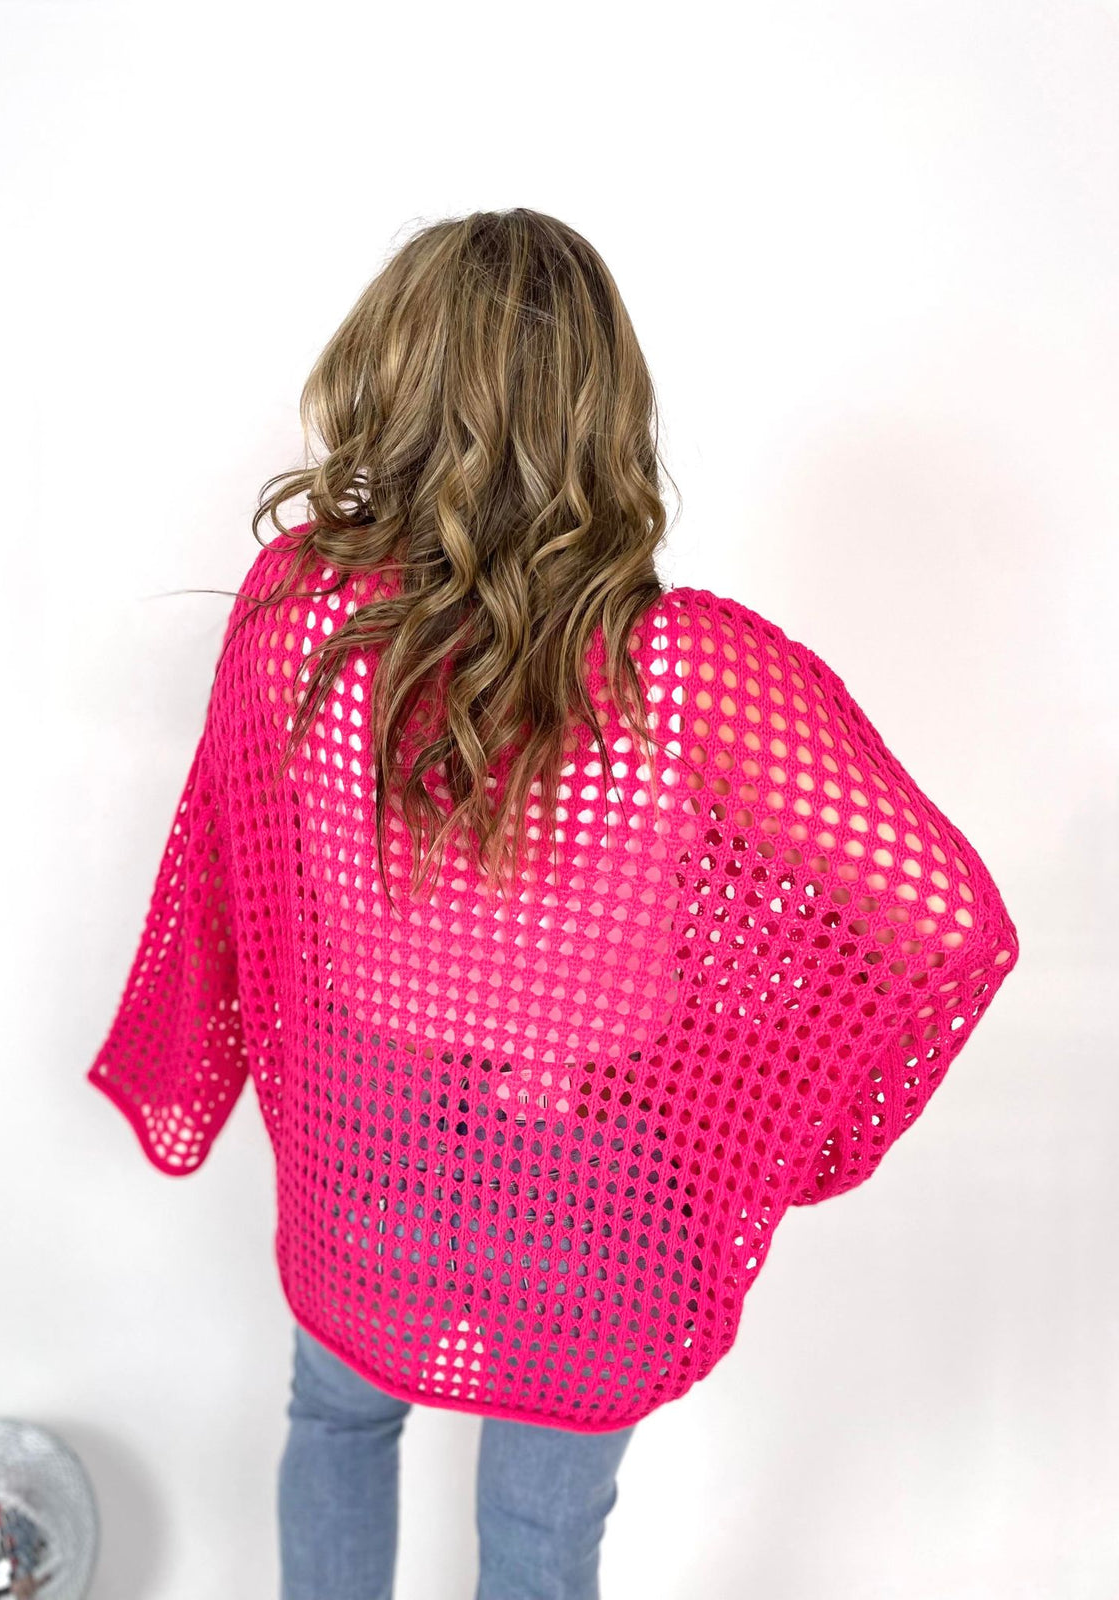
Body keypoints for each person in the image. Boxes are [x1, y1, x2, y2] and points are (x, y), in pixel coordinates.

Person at [86, 208, 1020, 1600]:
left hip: (363, 1125)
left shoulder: (298, 613)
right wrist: (739, 1045)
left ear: (388, 376)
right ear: (604, 414)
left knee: (335, 1420)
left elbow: (231, 854)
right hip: (594, 1158)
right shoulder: (682, 671)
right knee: (537, 1534)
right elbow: (945, 921)